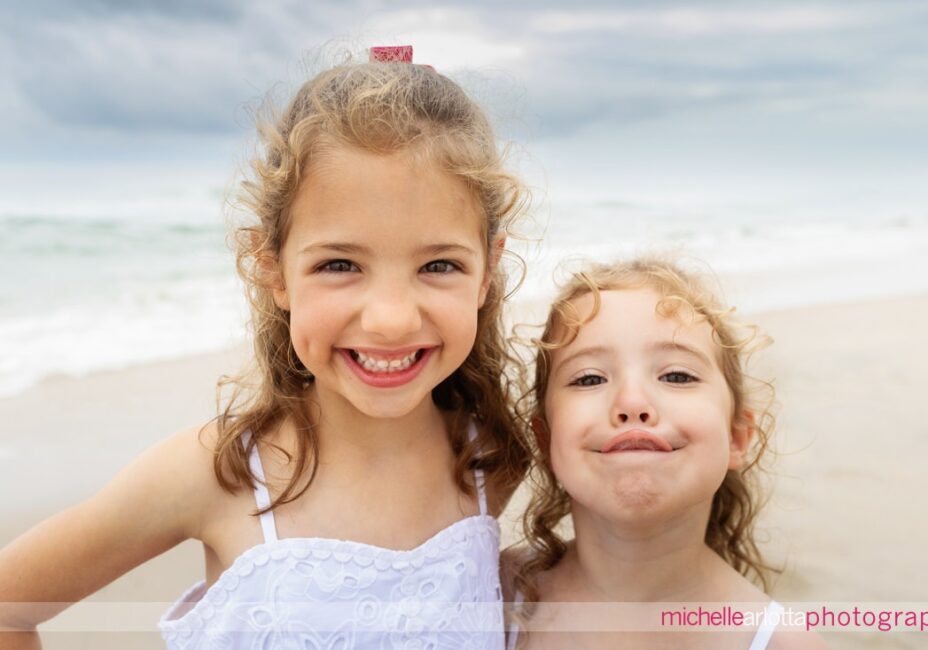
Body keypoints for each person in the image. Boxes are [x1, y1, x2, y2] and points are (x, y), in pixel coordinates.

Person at [0, 47, 531, 649]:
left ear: (488, 271)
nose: (388, 319)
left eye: (439, 264)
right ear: (273, 269)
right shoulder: (215, 475)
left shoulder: (493, 458)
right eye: (339, 264)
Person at [503, 258, 826, 649]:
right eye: (589, 378)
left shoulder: (779, 642)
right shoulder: (494, 594)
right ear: (545, 439)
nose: (632, 402)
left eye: (677, 375)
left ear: (736, 436)